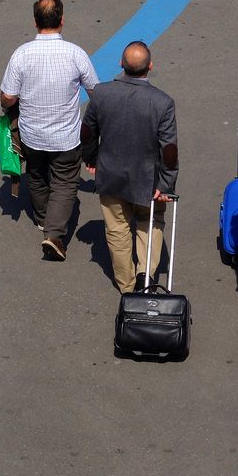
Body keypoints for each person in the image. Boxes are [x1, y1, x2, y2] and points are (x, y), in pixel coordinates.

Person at [0, 0, 99, 261]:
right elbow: (95, 92)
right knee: (65, 183)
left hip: (31, 134)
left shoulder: (21, 54)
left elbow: (7, 97)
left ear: (35, 22)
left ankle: (43, 218)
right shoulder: (76, 54)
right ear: (62, 20)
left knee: (36, 174)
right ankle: (55, 234)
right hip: (66, 136)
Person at [81, 41, 178, 293]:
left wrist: (90, 159)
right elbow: (168, 149)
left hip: (111, 174)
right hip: (148, 180)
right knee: (151, 221)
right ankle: (145, 274)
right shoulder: (162, 102)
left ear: (121, 64)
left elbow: (88, 131)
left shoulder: (102, 94)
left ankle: (126, 286)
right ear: (151, 66)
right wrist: (166, 185)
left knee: (117, 229)